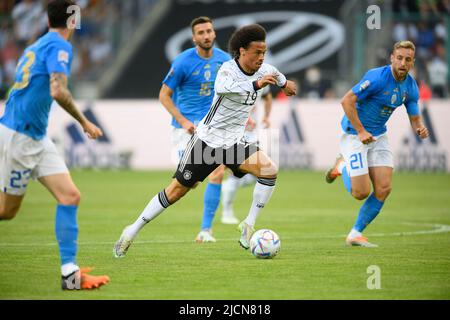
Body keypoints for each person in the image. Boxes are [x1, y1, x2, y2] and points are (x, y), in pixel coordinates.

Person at [113, 23, 297, 258]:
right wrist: (256, 84)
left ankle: (248, 225)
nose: (261, 58)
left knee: (269, 170)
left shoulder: (265, 69)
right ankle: (132, 230)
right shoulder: (226, 71)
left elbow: (278, 76)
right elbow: (227, 88)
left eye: (264, 52)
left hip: (234, 143)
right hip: (207, 142)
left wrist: (286, 84)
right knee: (177, 191)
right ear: (242, 51)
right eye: (256, 53)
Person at [0, 0, 110, 290]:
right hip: (20, 137)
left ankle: (70, 276)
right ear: (73, 21)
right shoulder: (60, 46)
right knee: (6, 211)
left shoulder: (36, 45)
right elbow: (58, 90)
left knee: (70, 196)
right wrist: (84, 122)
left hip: (34, 135)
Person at [325, 40, 429, 247]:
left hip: (379, 137)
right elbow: (347, 100)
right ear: (392, 58)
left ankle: (355, 233)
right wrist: (361, 131)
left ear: (412, 62)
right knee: (360, 193)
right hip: (355, 135)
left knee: (383, 188)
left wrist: (419, 127)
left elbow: (414, 114)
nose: (403, 62)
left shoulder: (410, 86)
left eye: (407, 59)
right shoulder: (376, 77)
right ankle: (342, 165)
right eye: (399, 58)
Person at [159, 16, 231, 242]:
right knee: (190, 183)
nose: (206, 36)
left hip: (211, 127)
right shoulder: (182, 62)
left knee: (218, 171)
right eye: (201, 33)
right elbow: (164, 95)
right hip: (185, 130)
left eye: (209, 31)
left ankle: (205, 231)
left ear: (214, 33)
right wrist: (183, 121)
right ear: (194, 38)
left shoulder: (225, 60)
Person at [220, 87, 272, 224]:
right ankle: (226, 212)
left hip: (252, 135)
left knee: (263, 173)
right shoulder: (233, 77)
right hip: (234, 135)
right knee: (234, 173)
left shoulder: (262, 78)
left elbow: (267, 96)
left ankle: (227, 186)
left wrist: (266, 116)